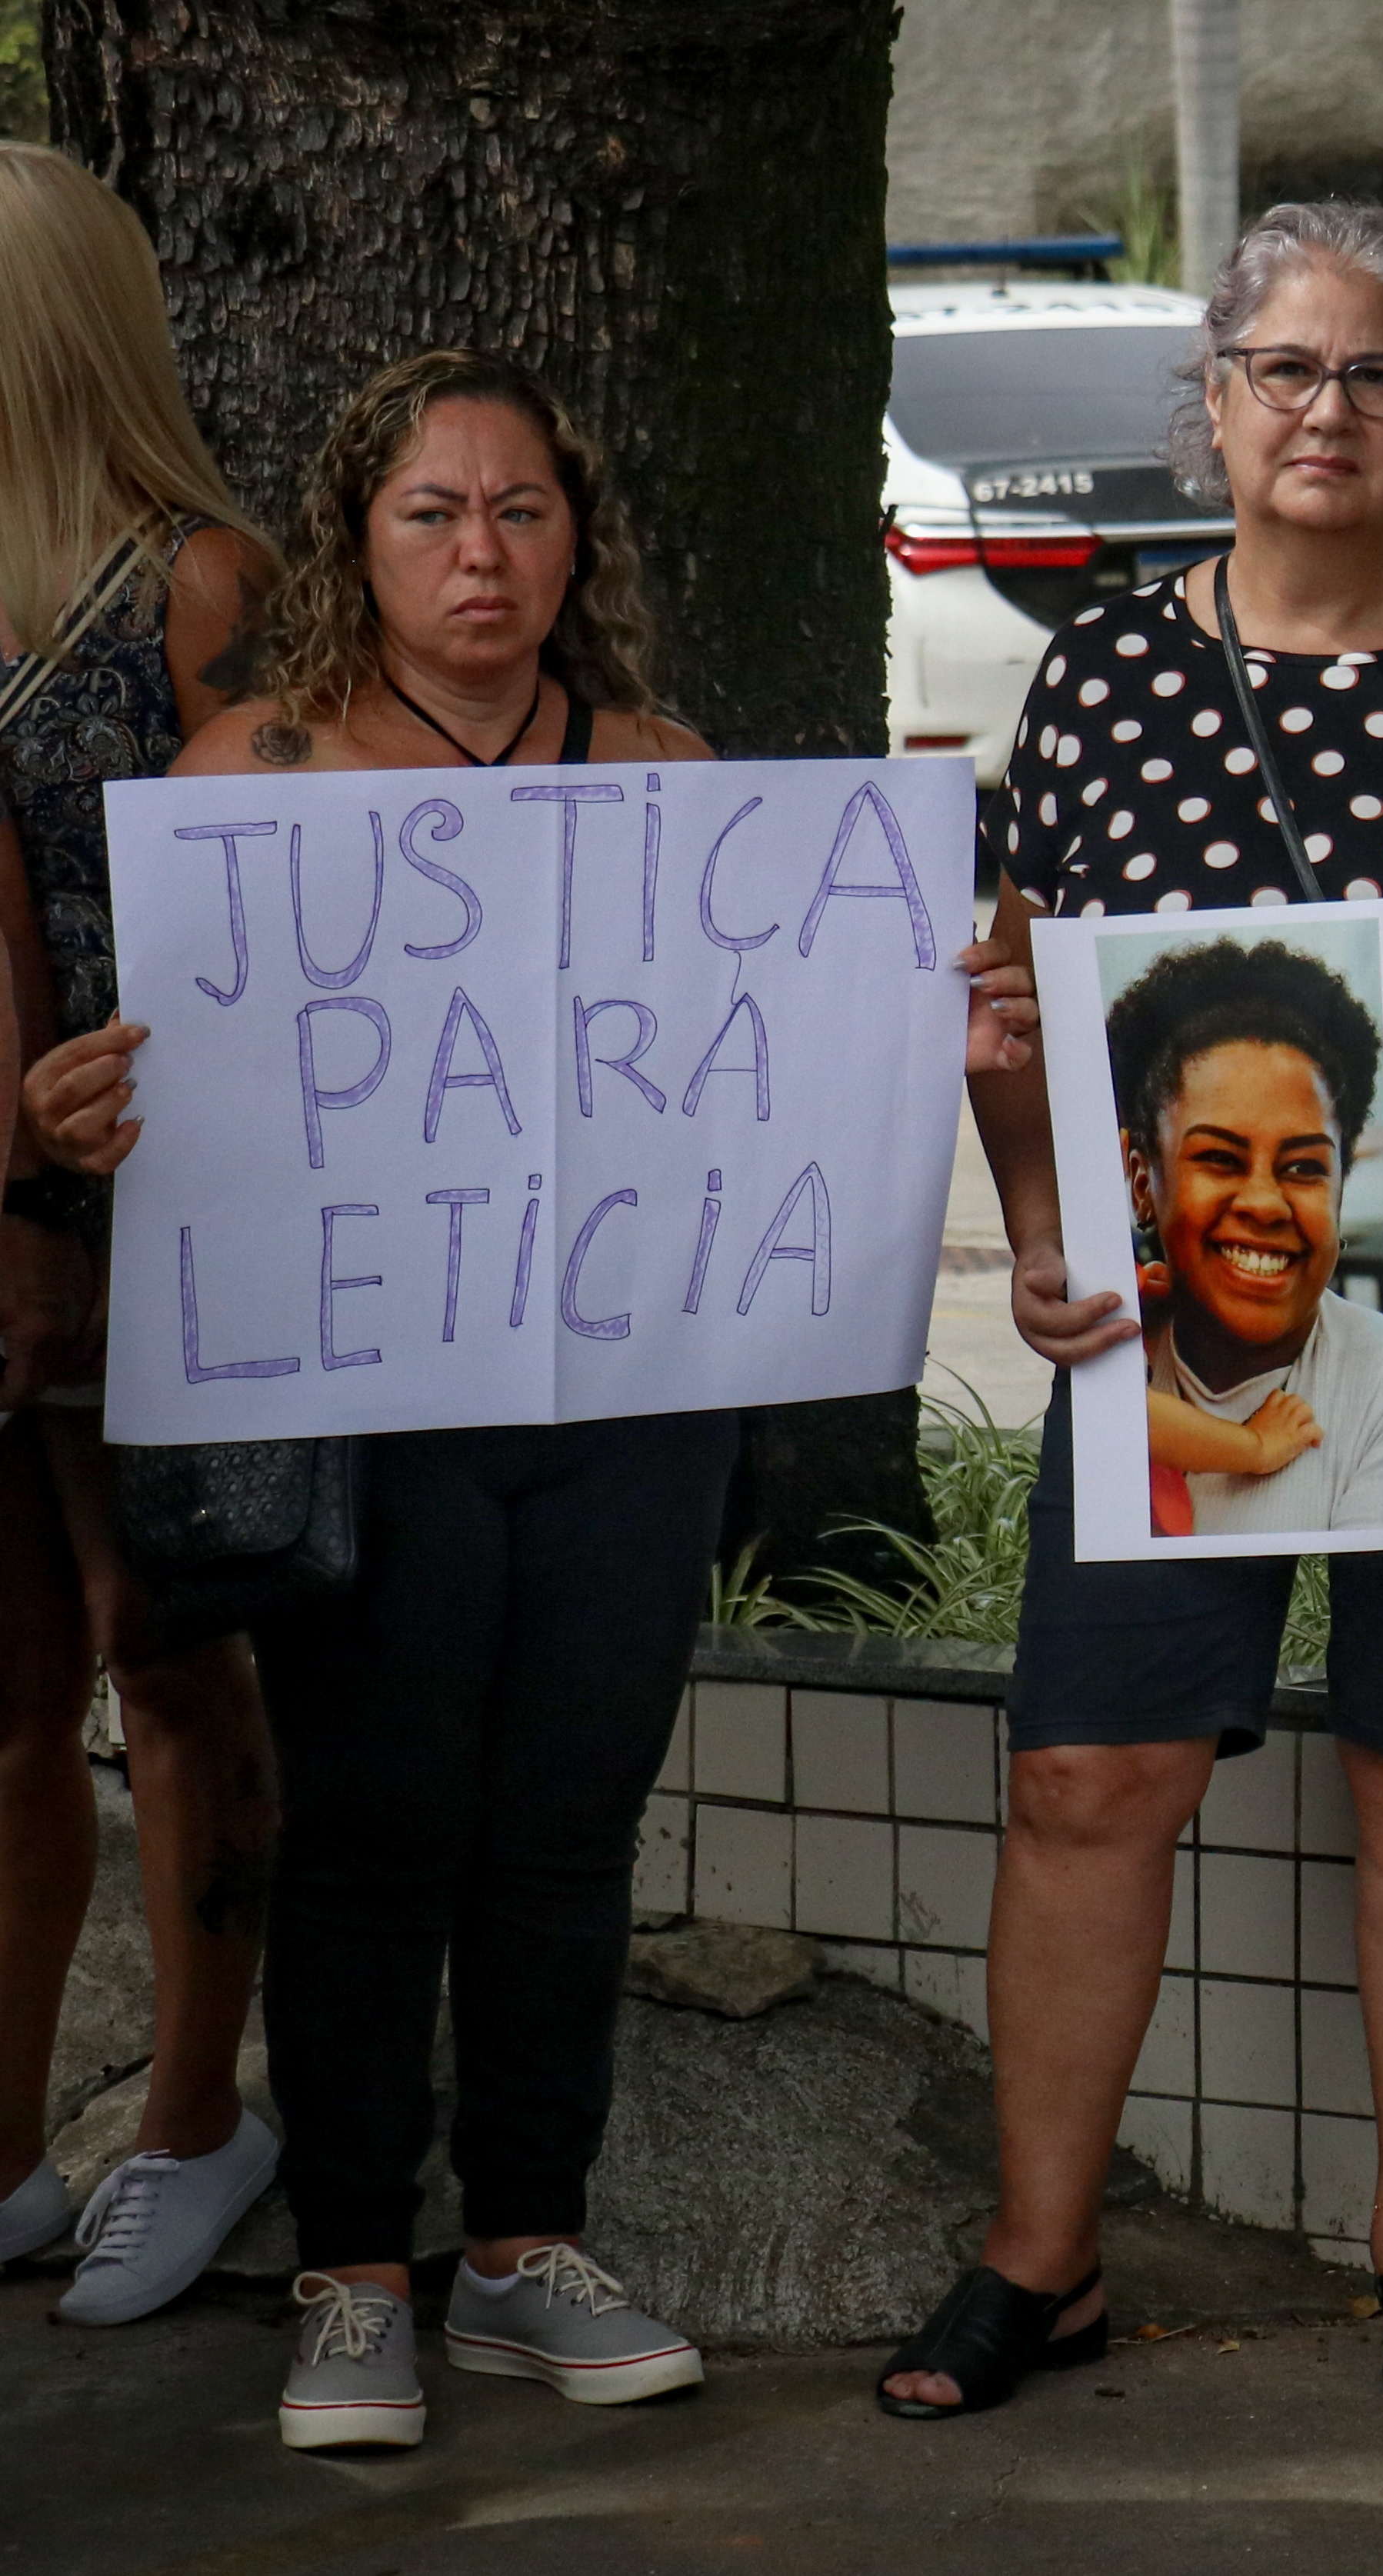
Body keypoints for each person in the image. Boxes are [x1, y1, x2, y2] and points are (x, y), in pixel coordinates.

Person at [20, 351, 964, 2453]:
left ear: (577, 537)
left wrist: (926, 996)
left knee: (564, 1827)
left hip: (633, 1398)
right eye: (434, 511)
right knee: (372, 1830)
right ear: (360, 536)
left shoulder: (665, 764)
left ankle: (525, 2243)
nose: (480, 550)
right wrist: (76, 1120)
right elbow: (168, 1098)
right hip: (370, 1403)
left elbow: (782, 1060)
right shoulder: (242, 777)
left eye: (520, 509)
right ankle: (354, 2269)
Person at [878, 198, 1383, 2421]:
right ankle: (1043, 2255)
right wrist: (1040, 1221)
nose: (1325, 409)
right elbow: (1021, 1001)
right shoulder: (1100, 667)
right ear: (1209, 404)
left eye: (1372, 371)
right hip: (1157, 1333)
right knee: (1091, 1777)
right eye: (1282, 371)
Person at [0, 139, 285, 2331]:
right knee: (11, 1686)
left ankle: (198, 2119)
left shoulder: (192, 586)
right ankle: (12, 2144)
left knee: (164, 1649)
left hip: (146, 1201)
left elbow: (271, 921)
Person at [1106, 937, 1383, 1536]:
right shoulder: (1118, 1330)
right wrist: (1251, 1446)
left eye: (1305, 1167)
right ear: (1142, 1178)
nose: (1263, 1202)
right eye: (1221, 1159)